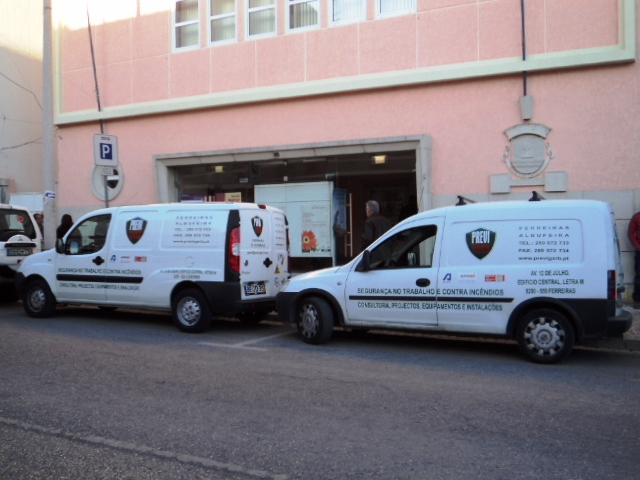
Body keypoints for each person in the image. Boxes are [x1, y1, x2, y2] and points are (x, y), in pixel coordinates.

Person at [628, 211, 640, 303]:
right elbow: (631, 233)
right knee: (639, 276)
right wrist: (638, 247)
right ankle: (637, 298)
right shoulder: (637, 217)